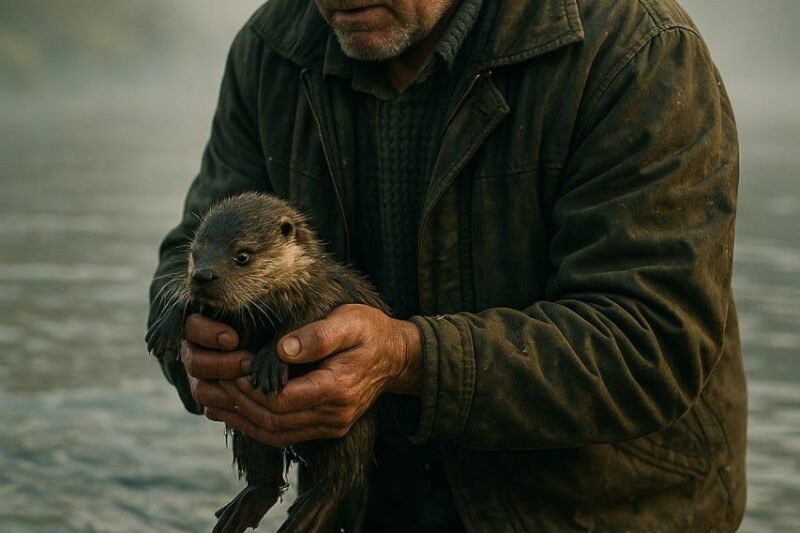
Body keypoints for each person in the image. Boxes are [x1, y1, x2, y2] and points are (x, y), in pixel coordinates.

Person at [148, 0, 746, 530]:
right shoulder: (271, 49)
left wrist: (411, 359)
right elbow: (190, 255)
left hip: (597, 511)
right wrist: (197, 353)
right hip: (366, 506)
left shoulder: (639, 51)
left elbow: (653, 342)